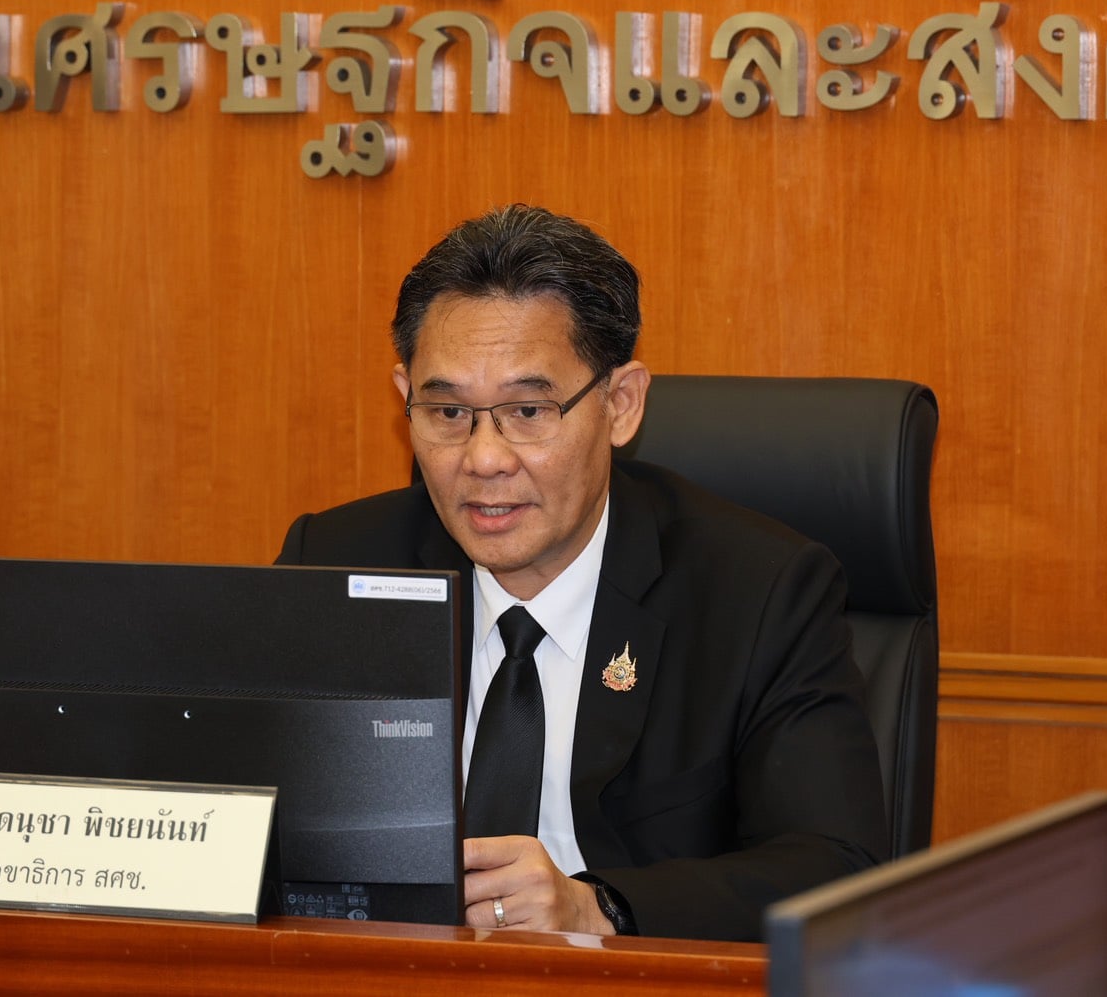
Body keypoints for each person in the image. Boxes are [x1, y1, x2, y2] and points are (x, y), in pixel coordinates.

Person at [276, 204, 886, 942]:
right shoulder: (333, 563)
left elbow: (835, 866)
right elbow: (235, 819)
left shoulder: (757, 591)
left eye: (529, 410)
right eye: (447, 412)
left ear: (620, 404)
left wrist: (600, 907)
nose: (484, 458)